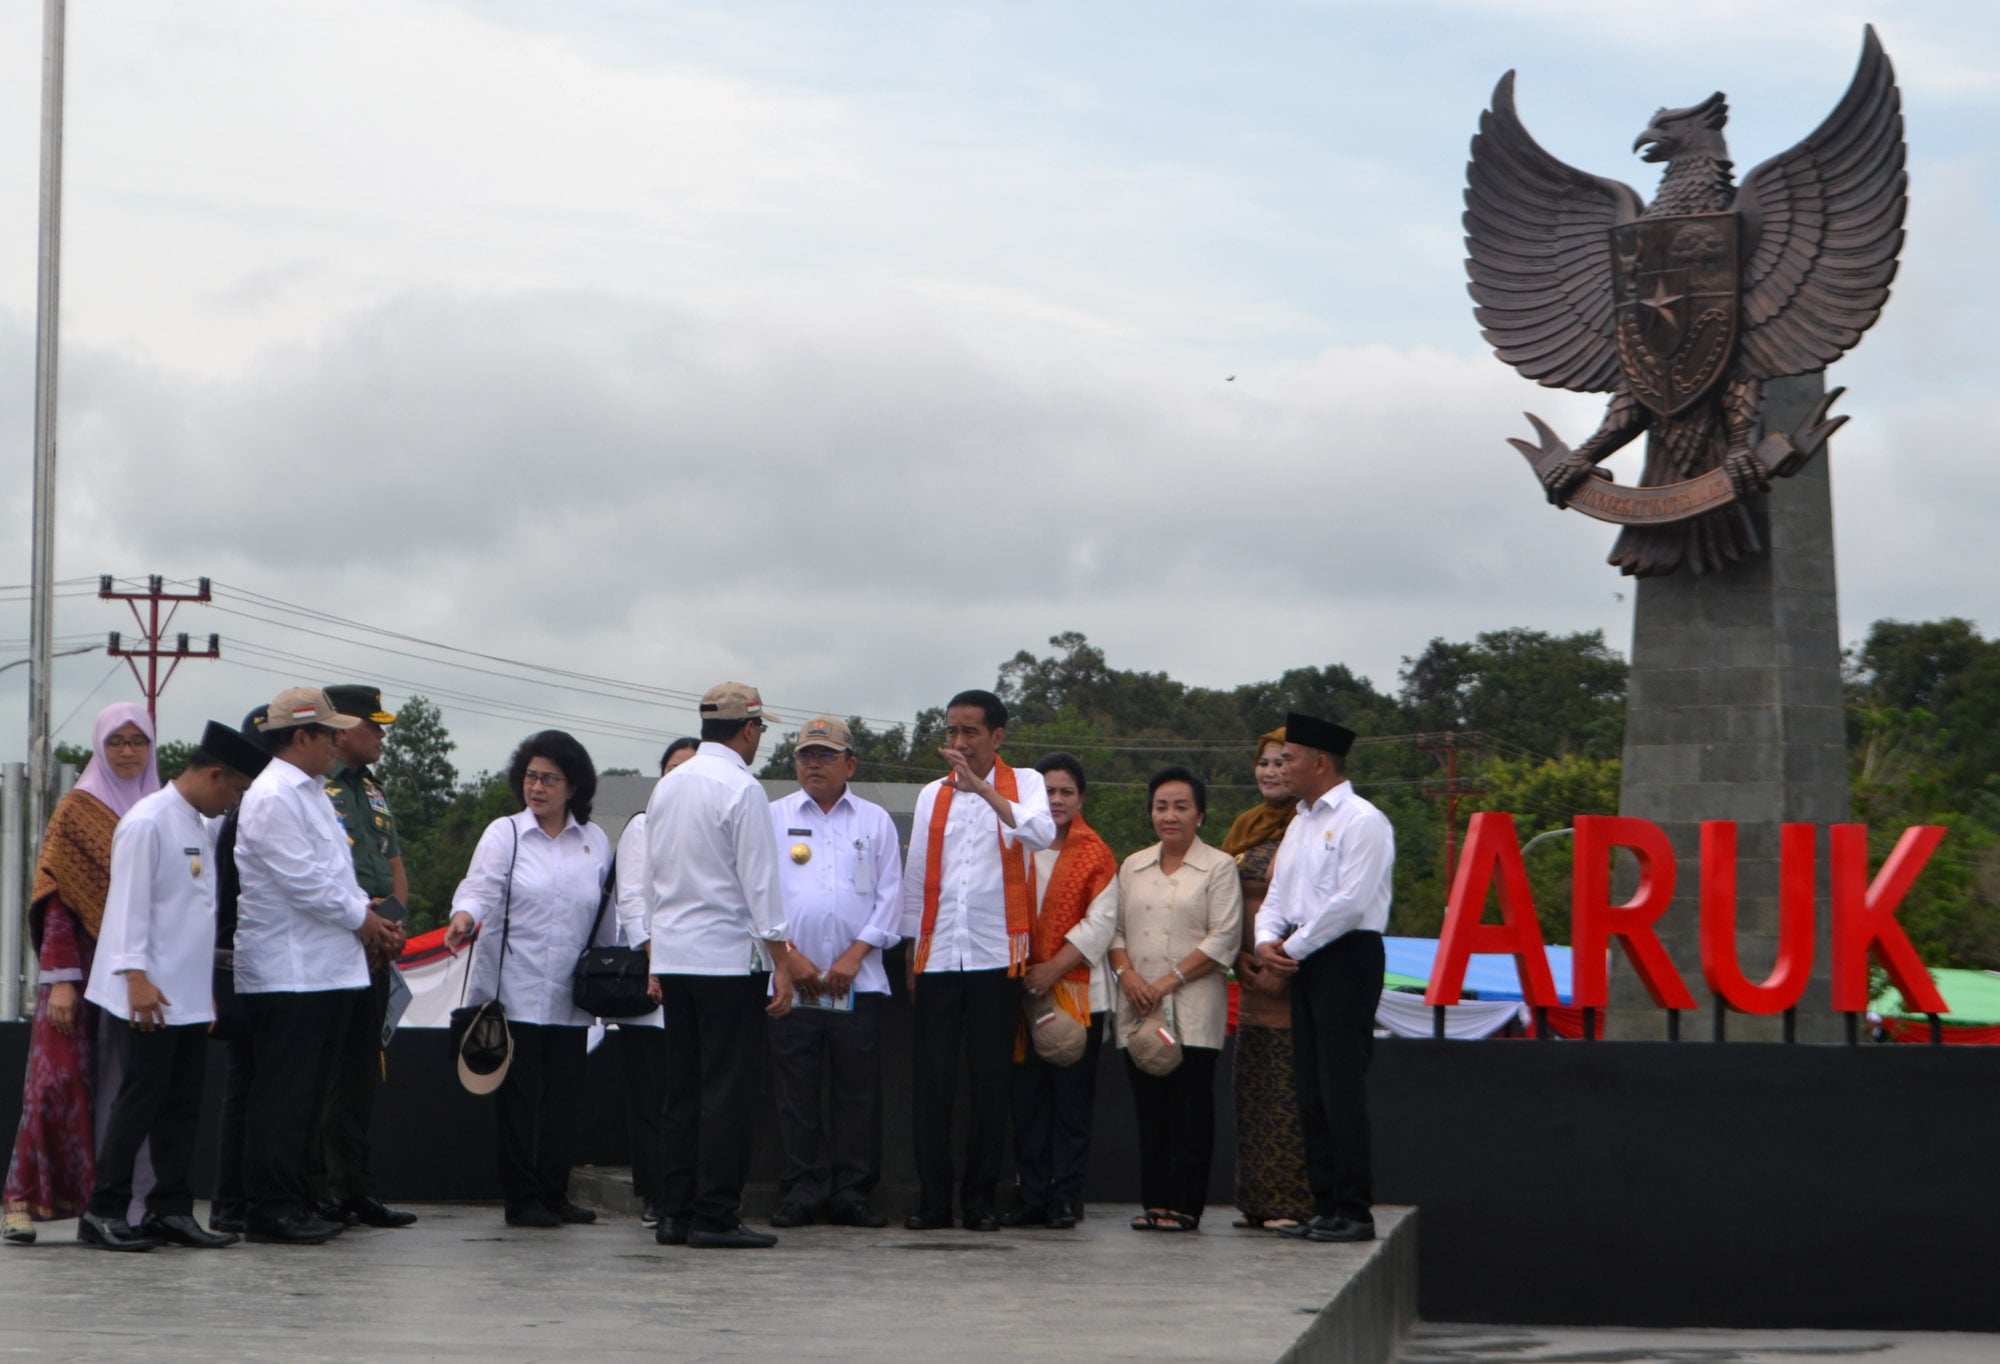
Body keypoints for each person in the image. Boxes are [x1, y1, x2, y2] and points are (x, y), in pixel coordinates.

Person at [78, 722, 269, 1251]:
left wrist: (202, 991)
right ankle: (104, 1210)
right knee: (139, 1102)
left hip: (183, 995)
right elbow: (128, 907)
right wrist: (135, 977)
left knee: (182, 1106)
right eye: (234, 790)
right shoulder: (149, 823)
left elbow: (195, 916)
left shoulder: (198, 825)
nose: (233, 802)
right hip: (147, 993)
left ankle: (171, 1209)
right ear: (213, 775)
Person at [235, 687, 402, 1245]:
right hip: (291, 970)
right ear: (300, 736)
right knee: (285, 1093)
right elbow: (304, 882)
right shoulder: (273, 796)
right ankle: (272, 1206)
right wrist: (365, 920)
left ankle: (301, 1198)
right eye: (329, 734)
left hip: (327, 966)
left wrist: (369, 913)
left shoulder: (310, 792)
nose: (336, 742)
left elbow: (335, 874)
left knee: (308, 1095)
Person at [646, 683, 797, 1250]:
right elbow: (760, 884)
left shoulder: (669, 787)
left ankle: (673, 1212)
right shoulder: (741, 787)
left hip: (678, 955)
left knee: (681, 1089)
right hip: (729, 960)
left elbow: (653, 877)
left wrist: (657, 950)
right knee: (726, 1091)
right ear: (750, 729)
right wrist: (780, 961)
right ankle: (715, 1213)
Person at [899, 689, 1056, 1231]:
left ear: (996, 737)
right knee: (933, 1084)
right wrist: (910, 953)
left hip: (996, 954)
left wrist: (984, 790)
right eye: (951, 732)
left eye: (969, 732)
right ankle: (933, 1201)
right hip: (939, 953)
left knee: (991, 1083)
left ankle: (981, 1199)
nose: (958, 743)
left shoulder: (1026, 783)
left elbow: (1040, 833)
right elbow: (917, 875)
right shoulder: (930, 795)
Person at [444, 731, 614, 1229]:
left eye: (549, 779)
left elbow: (605, 914)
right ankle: (522, 1200)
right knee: (519, 1102)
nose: (536, 787)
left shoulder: (595, 840)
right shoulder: (506, 834)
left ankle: (553, 1193)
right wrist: (464, 917)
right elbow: (481, 886)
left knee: (563, 1102)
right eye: (530, 776)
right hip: (512, 994)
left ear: (574, 786)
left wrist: (617, 966)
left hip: (570, 996)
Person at [5, 702, 160, 1245]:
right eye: (115, 741)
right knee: (56, 1084)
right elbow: (55, 902)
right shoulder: (77, 810)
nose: (126, 752)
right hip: (75, 970)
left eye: (137, 741)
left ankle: (115, 1203)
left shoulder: (160, 809)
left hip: (133, 973)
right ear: (99, 745)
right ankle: (20, 1199)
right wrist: (62, 979)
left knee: (122, 1089)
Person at [1255, 713, 1394, 1245]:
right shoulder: (1299, 822)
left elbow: (1351, 903)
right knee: (1309, 1087)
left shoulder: (1363, 820)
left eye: (1289, 757)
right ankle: (1324, 1205)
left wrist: (1288, 947)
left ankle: (1355, 1211)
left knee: (1341, 1087)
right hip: (1302, 956)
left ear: (1320, 763)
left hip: (1347, 957)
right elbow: (1276, 894)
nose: (1281, 765)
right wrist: (1268, 938)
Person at [765, 716, 903, 1230]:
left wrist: (854, 957)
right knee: (795, 1093)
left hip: (857, 982)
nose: (814, 763)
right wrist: (789, 956)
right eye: (805, 755)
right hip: (790, 982)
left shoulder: (874, 821)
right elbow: (757, 895)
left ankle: (851, 1193)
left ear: (851, 763)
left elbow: (892, 897)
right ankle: (802, 1191)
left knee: (857, 1093)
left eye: (825, 755)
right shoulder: (772, 816)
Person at [1108, 766, 1242, 1232]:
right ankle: (1156, 1203)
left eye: (1181, 806)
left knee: (1189, 1111)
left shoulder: (1219, 867)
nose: (1170, 815)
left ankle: (1185, 1206)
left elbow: (1224, 937)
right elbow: (1116, 930)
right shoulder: (1133, 865)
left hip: (1193, 1011)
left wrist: (1164, 983)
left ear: (1200, 815)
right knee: (1150, 1112)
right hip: (1137, 1009)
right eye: (1161, 806)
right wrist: (1127, 977)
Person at [313, 683, 417, 1230]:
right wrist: (367, 920)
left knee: (359, 1076)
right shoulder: (315, 788)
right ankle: (320, 1190)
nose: (381, 736)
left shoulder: (372, 790)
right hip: (335, 942)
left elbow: (392, 861)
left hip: (376, 946)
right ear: (344, 727)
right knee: (325, 1076)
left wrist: (394, 923)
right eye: (373, 726)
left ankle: (355, 1190)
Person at [1003, 752, 1118, 1231]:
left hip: (1078, 995)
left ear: (1081, 798)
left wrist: (1051, 970)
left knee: (1071, 1105)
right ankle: (1031, 1197)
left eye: (1066, 791)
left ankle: (1064, 1199)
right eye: (1047, 791)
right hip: (1022, 996)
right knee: (1027, 1104)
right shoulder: (1015, 847)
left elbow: (1102, 924)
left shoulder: (1097, 853)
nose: (1056, 800)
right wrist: (1030, 974)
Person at [1225, 727, 1314, 1231]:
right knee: (1254, 1088)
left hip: (1290, 974)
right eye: (1264, 762)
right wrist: (1237, 957)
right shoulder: (1242, 827)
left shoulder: (1310, 826)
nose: (1272, 771)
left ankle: (1293, 1202)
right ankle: (1257, 1200)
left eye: (1283, 761)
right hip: (1247, 974)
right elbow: (1223, 899)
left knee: (1289, 1089)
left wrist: (1280, 964)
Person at [610, 736, 698, 1227]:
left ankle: (687, 1189)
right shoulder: (644, 825)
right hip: (654, 980)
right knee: (650, 1097)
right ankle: (656, 1193)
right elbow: (633, 902)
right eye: (672, 769)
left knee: (687, 1093)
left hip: (701, 977)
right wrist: (657, 960)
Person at [208, 706, 267, 1236]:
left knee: (253, 1086)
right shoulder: (245, 815)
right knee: (246, 1087)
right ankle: (231, 1203)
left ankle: (241, 1201)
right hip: (242, 967)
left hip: (254, 965)